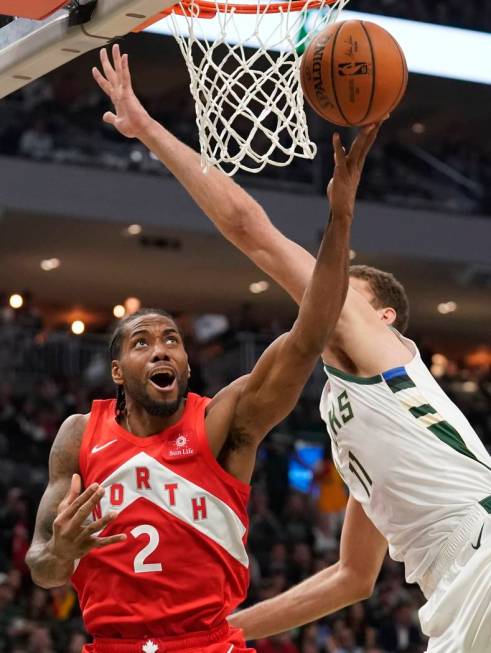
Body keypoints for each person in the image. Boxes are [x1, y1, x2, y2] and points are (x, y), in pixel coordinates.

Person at [91, 46, 491, 653]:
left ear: (381, 316)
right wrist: (209, 632)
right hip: (454, 584)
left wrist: (146, 127)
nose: (322, 289)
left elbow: (250, 229)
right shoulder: (350, 420)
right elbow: (352, 579)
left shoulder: (375, 347)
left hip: (478, 552)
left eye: (342, 287)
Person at [25, 45, 376, 653]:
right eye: (143, 342)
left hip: (207, 643)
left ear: (187, 364)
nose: (161, 350)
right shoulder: (78, 435)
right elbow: (42, 568)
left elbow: (309, 337)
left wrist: (339, 221)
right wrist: (62, 550)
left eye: (172, 341)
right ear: (118, 370)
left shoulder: (222, 423)